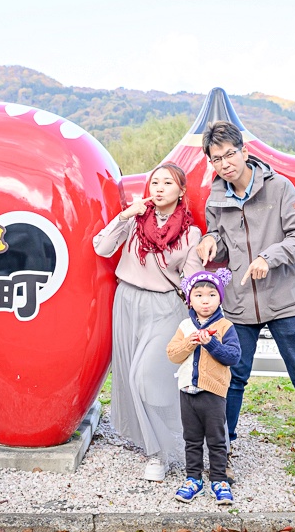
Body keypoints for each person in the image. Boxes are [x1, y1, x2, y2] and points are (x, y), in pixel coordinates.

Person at [195, 120, 295, 483]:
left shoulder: (279, 187)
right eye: (217, 159)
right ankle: (221, 453)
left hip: (286, 300)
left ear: (244, 151)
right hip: (242, 303)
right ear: (211, 164)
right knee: (232, 379)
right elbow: (224, 243)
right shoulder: (215, 198)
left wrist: (268, 256)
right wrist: (211, 242)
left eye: (230, 154)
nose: (226, 163)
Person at [93, 163, 203, 481]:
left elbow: (192, 279)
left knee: (146, 376)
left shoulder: (190, 233)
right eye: (154, 182)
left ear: (181, 191)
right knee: (130, 377)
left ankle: (159, 454)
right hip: (126, 301)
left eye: (167, 183)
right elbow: (101, 246)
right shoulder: (135, 222)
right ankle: (151, 440)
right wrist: (126, 215)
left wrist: (202, 314)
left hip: (166, 306)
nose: (158, 188)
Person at [166, 269, 241, 505]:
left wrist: (212, 345)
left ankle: (218, 479)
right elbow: (172, 354)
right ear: (190, 300)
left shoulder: (225, 326)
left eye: (211, 294)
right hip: (187, 391)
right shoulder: (185, 326)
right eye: (198, 295)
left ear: (220, 298)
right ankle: (193, 479)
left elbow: (233, 356)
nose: (205, 300)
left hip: (213, 393)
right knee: (192, 438)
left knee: (217, 439)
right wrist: (190, 342)